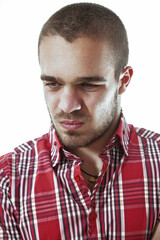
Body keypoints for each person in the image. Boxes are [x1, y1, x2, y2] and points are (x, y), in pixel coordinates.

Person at [0, 2, 160, 239]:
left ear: (123, 80)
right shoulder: (8, 181)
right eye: (52, 83)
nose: (67, 106)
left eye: (88, 85)